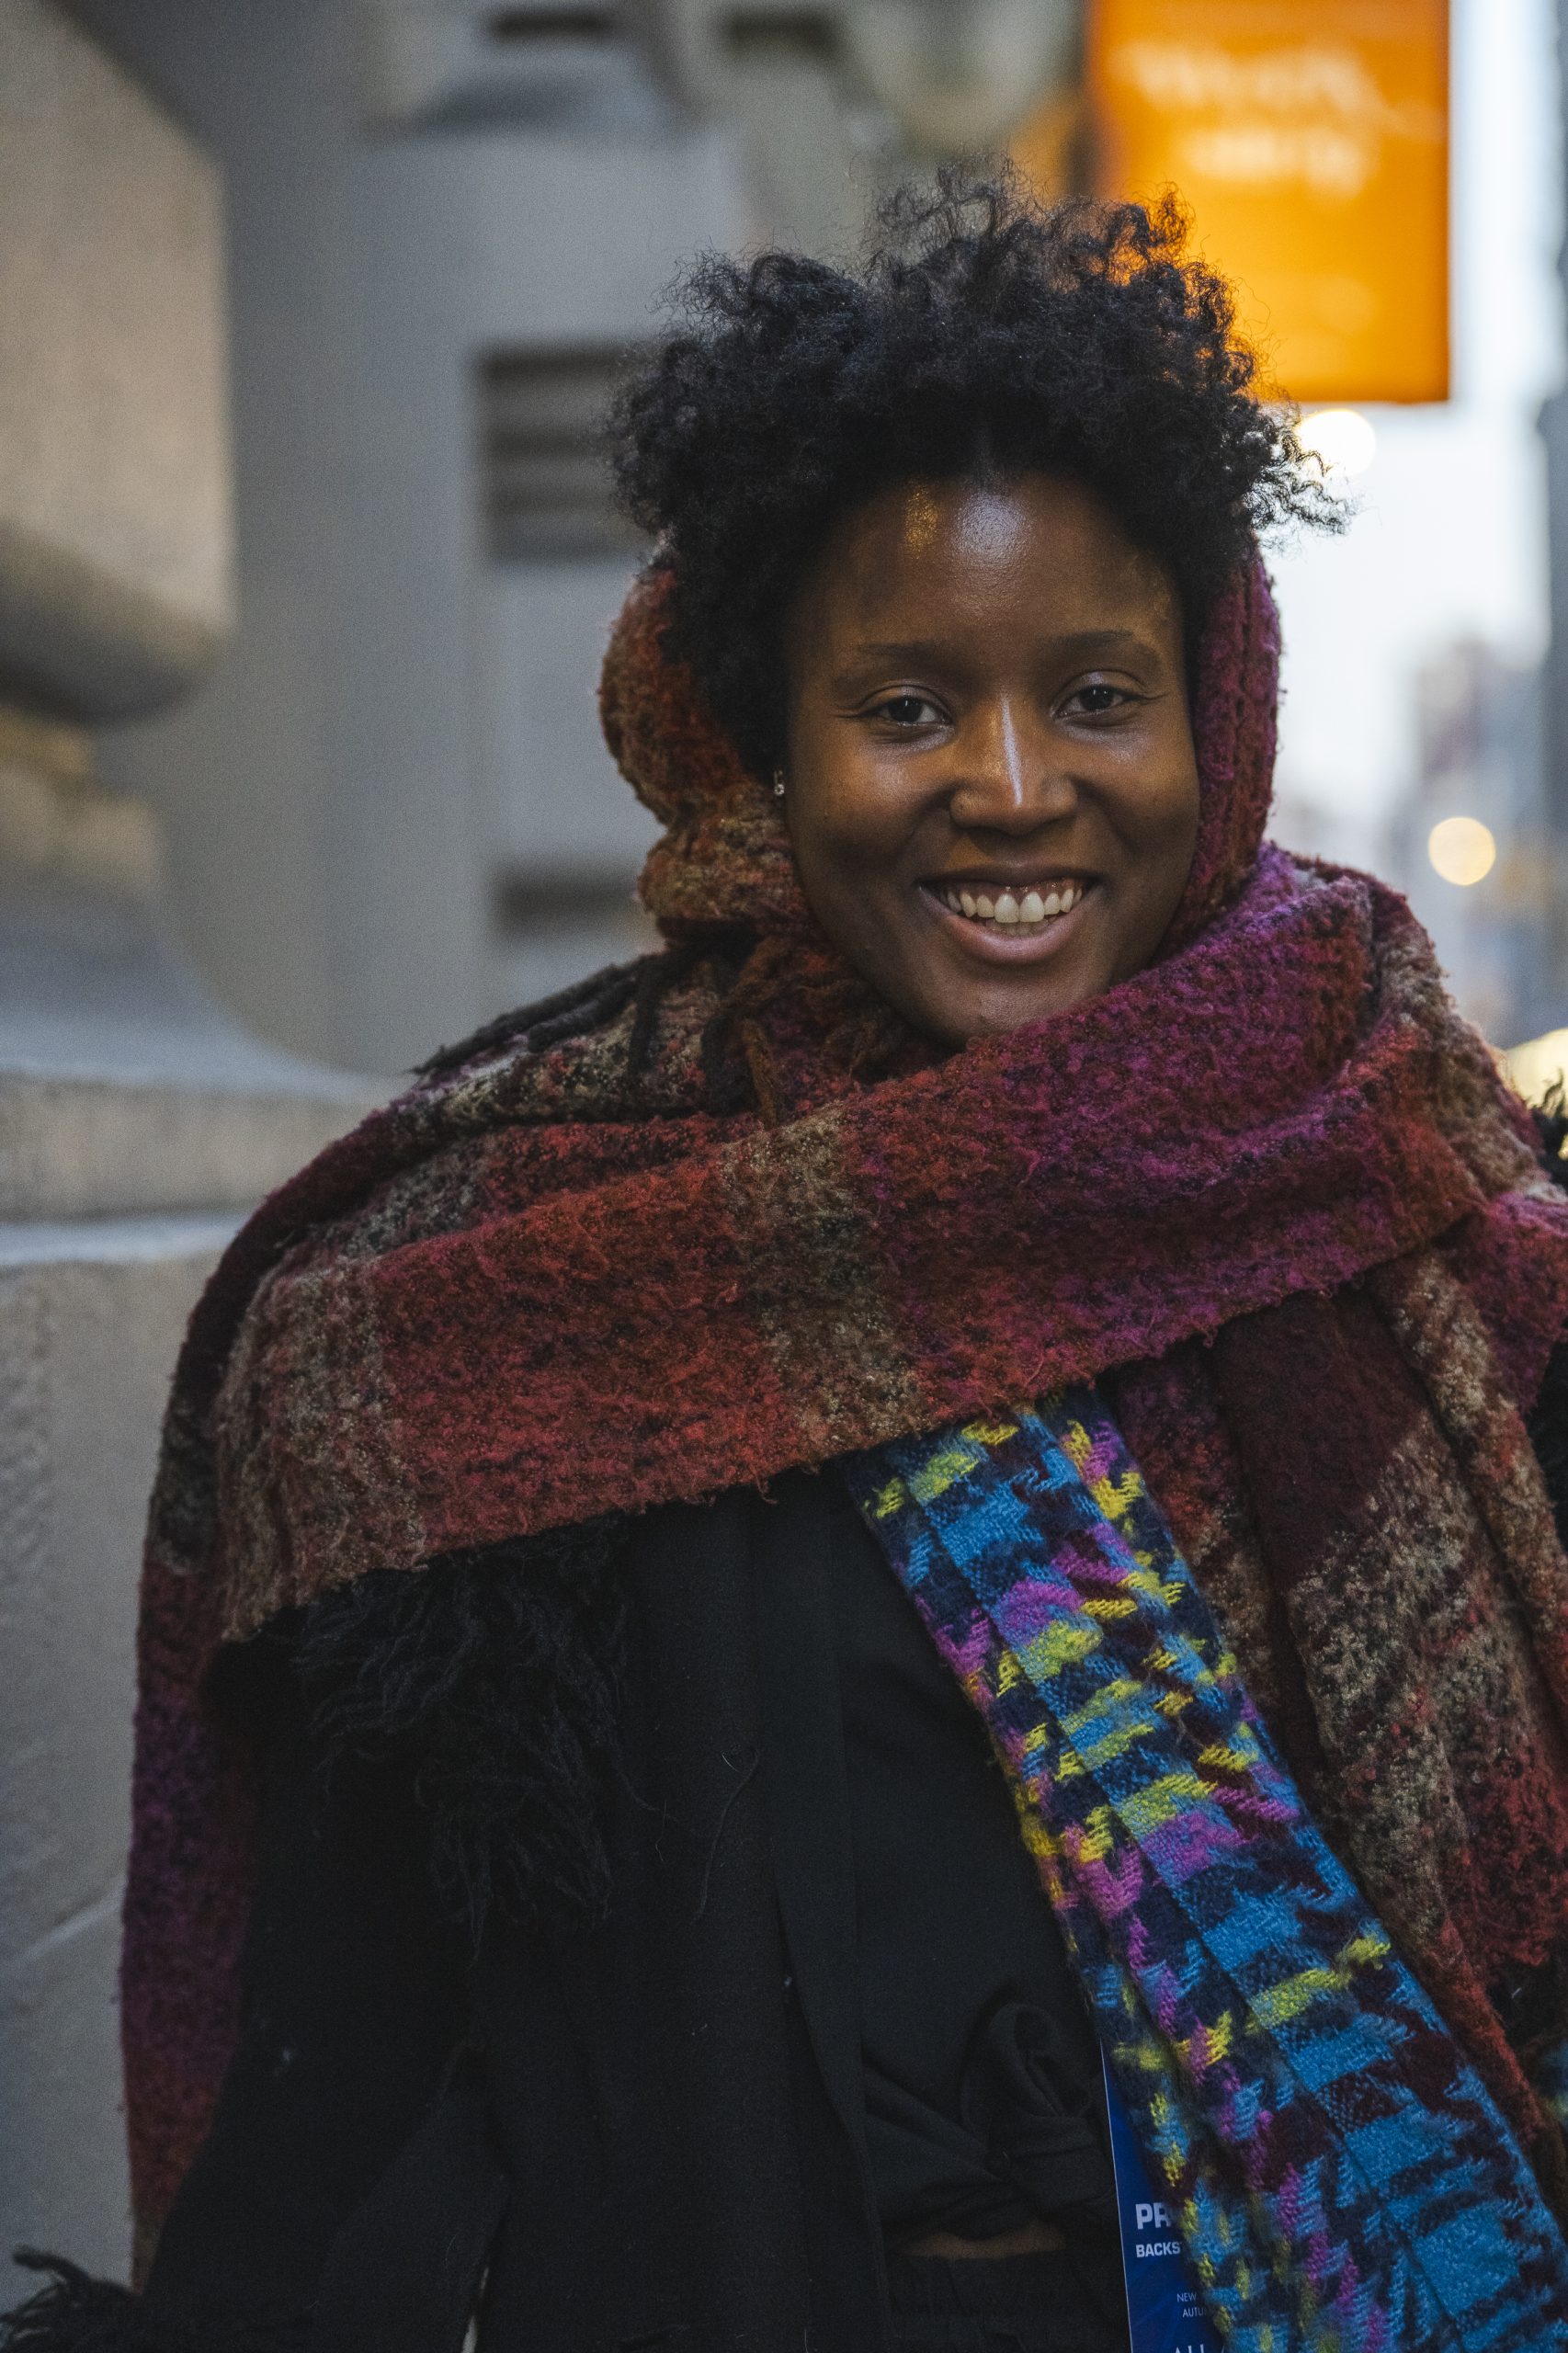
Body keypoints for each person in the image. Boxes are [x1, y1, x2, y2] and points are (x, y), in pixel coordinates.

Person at [11, 173, 1568, 2353]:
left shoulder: (1408, 1208)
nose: (1013, 788)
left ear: (1213, 723)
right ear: (773, 746)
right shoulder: (518, 1270)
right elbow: (351, 2099)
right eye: (909, 705)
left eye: (1097, 693)